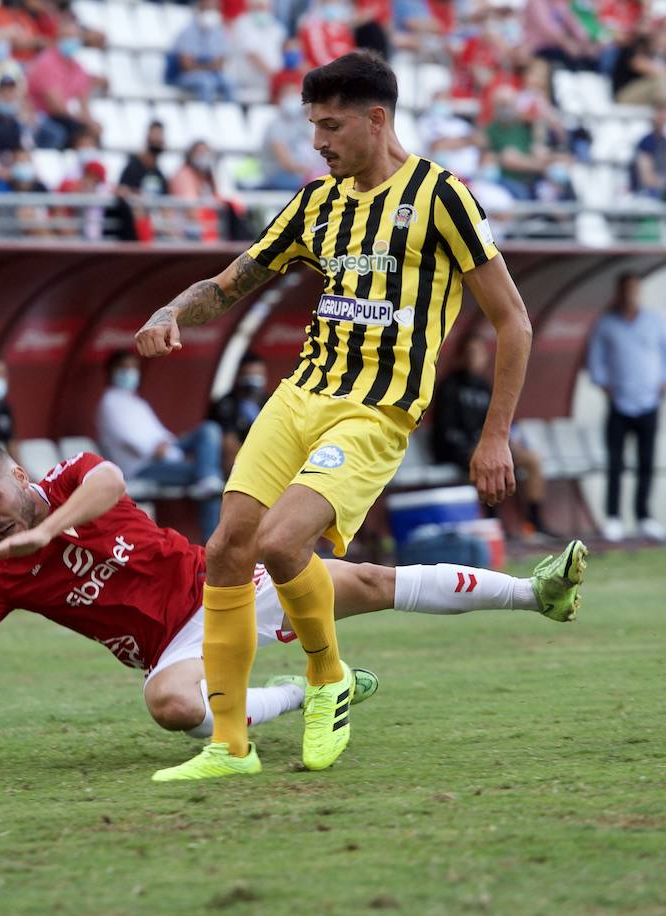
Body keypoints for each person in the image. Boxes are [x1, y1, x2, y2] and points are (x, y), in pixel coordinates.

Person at [133, 51, 537, 781]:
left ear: (376, 119)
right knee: (228, 548)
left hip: (374, 410)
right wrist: (171, 308)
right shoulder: (316, 202)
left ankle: (327, 678)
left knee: (283, 543)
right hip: (299, 397)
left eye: (330, 126)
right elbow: (230, 283)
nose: (317, 142)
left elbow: (514, 321)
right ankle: (228, 745)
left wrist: (496, 433)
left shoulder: (441, 197)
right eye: (312, 125)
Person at [0, 446, 585, 748]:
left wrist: (47, 533)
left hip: (222, 585)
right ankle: (310, 690)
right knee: (170, 704)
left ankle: (536, 591)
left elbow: (111, 480)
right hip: (173, 648)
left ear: (20, 477)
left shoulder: (73, 479)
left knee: (370, 582)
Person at [432, 337, 556, 539]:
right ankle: (495, 524)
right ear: (461, 356)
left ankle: (534, 523)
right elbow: (445, 430)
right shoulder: (449, 386)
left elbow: (502, 421)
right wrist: (476, 446)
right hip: (458, 449)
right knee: (490, 461)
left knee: (532, 460)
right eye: (471, 353)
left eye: (480, 354)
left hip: (486, 445)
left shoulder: (485, 387)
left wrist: (507, 442)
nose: (476, 359)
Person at [586, 273, 666, 544]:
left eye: (634, 290)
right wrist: (604, 386)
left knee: (646, 461)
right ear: (619, 292)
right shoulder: (606, 324)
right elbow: (596, 360)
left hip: (649, 402)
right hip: (619, 403)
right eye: (625, 290)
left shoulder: (655, 321)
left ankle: (643, 516)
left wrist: (665, 381)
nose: (630, 295)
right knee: (615, 462)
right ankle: (613, 517)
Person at [95, 350, 225, 538]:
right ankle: (212, 540)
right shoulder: (109, 402)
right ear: (111, 372)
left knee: (208, 429)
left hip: (165, 456)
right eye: (124, 368)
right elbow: (132, 441)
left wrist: (168, 447)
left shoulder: (136, 401)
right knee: (208, 476)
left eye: (133, 368)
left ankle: (207, 477)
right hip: (143, 466)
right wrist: (162, 449)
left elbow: (161, 433)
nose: (129, 373)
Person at [26, 17, 101, 151]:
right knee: (60, 133)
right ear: (57, 38)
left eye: (74, 37)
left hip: (66, 118)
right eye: (66, 36)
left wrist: (89, 122)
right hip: (42, 118)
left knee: (93, 132)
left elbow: (84, 103)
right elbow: (56, 107)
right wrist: (81, 119)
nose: (71, 41)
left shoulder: (78, 67)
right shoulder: (46, 62)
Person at [208, 352, 270, 473]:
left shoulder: (271, 402)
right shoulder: (226, 404)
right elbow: (228, 444)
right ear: (239, 376)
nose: (253, 381)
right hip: (234, 465)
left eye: (258, 375)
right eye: (249, 375)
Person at [260, 83, 325, 190]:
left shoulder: (300, 124)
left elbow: (315, 149)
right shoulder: (276, 126)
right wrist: (312, 173)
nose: (293, 99)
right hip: (278, 175)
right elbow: (286, 163)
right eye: (288, 95)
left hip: (299, 174)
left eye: (296, 95)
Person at [170, 0, 234, 103]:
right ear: (200, 7)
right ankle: (204, 116)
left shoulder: (218, 31)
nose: (211, 11)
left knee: (230, 83)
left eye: (214, 7)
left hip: (210, 74)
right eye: (208, 7)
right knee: (206, 83)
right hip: (183, 76)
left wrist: (204, 66)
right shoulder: (188, 31)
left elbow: (221, 62)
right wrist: (210, 66)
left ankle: (229, 116)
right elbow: (186, 66)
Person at [228, 0, 286, 99]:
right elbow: (252, 54)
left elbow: (283, 47)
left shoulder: (275, 25)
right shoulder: (242, 24)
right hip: (247, 82)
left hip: (272, 82)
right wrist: (274, 75)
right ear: (250, 7)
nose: (262, 10)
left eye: (264, 7)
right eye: (258, 6)